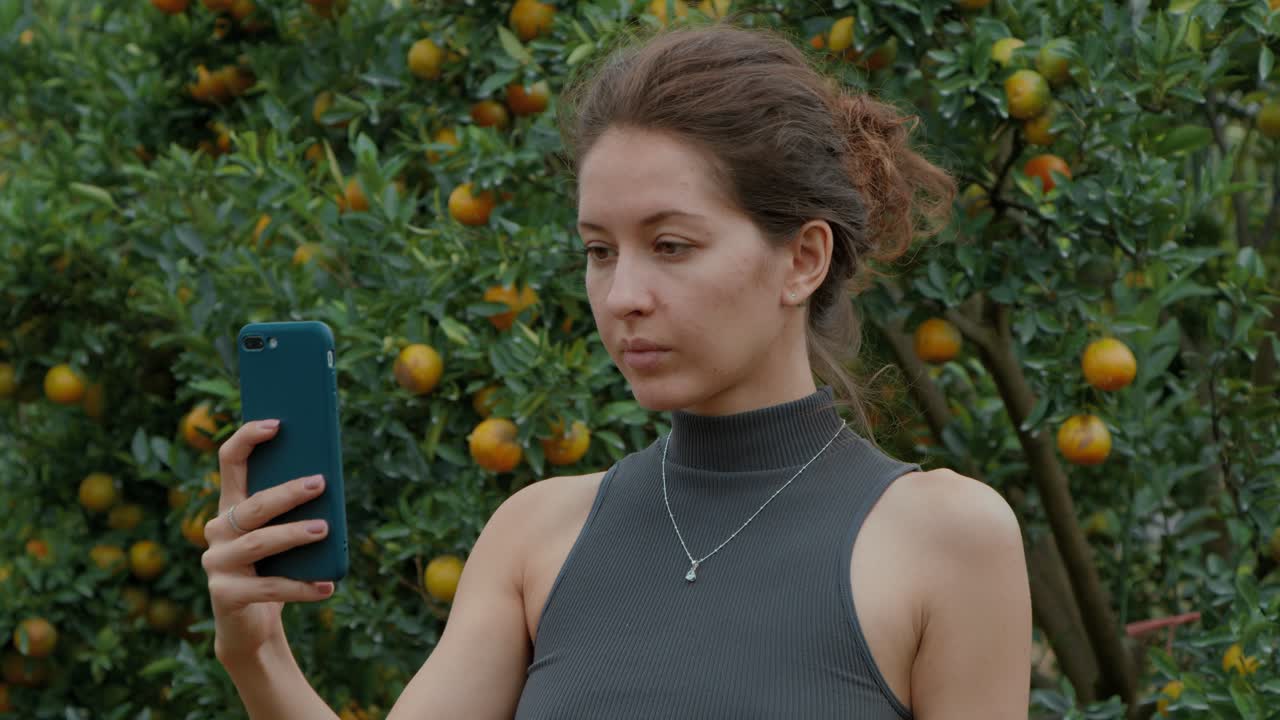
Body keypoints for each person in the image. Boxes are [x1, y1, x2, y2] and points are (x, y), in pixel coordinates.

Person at [201, 21, 1032, 720]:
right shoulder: (535, 535)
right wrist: (259, 652)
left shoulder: (945, 538)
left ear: (803, 259)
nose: (623, 295)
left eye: (671, 246)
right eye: (600, 251)